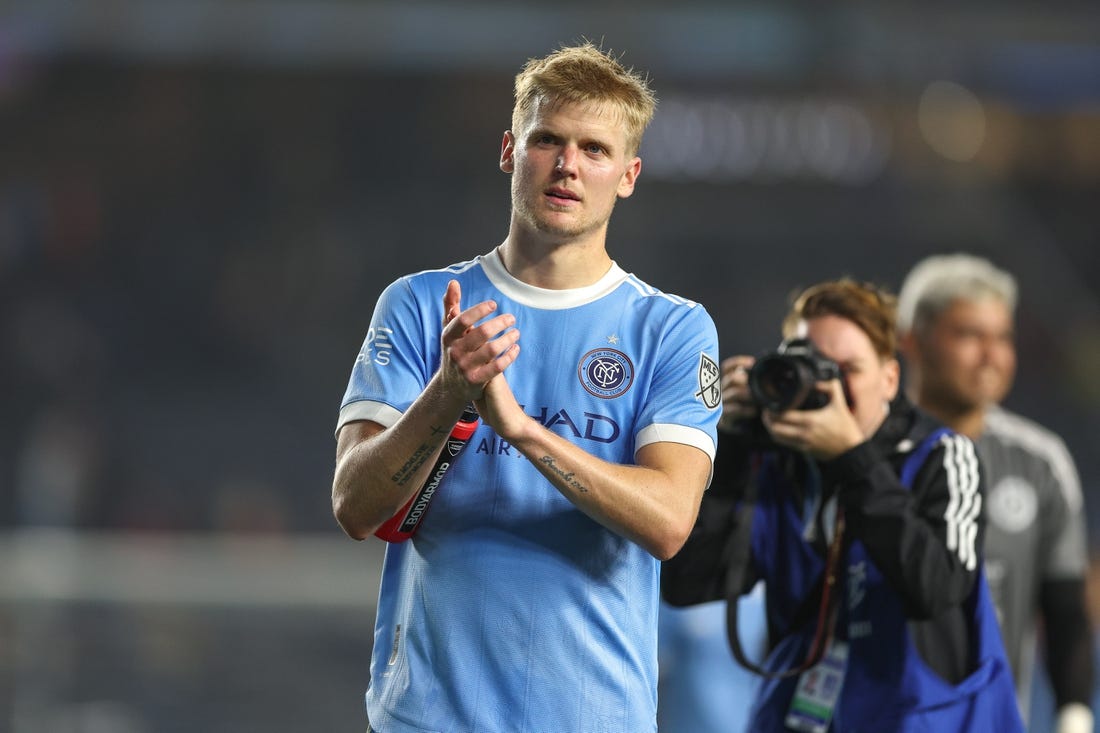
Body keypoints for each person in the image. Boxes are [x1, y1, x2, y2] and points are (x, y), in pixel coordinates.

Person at [331, 43, 722, 733]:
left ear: (628, 175)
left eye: (594, 149)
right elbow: (354, 505)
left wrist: (521, 428)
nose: (568, 164)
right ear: (510, 151)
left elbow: (667, 522)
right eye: (548, 139)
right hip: (427, 720)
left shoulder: (672, 328)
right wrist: (448, 394)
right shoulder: (423, 305)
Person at [662, 279, 1024, 732]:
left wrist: (850, 458)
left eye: (845, 370)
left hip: (921, 718)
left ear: (889, 379)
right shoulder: (775, 464)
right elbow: (686, 583)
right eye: (810, 366)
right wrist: (731, 447)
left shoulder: (942, 455)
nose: (824, 387)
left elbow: (937, 586)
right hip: (803, 717)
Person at [897, 253, 1094, 733]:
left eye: (1002, 337)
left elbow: (1065, 608)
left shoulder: (1041, 462)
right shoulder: (868, 456)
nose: (992, 356)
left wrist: (1073, 714)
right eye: (968, 335)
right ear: (913, 342)